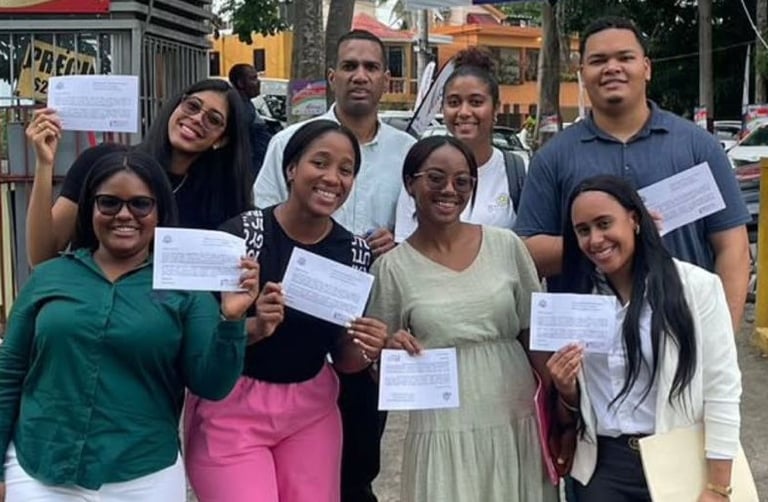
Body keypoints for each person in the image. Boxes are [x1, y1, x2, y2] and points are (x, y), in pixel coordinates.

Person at [0, 150, 259, 501]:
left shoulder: (185, 289)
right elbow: (9, 372)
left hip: (142, 474)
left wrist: (232, 319)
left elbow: (211, 385)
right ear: (90, 208)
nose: (124, 215)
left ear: (159, 212)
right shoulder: (49, 277)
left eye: (140, 204)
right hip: (41, 469)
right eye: (109, 203)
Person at [184, 119, 388, 502]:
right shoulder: (245, 236)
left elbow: (344, 358)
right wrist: (255, 327)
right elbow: (199, 341)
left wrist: (366, 347)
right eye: (320, 163)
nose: (332, 178)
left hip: (310, 409)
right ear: (291, 168)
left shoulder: (355, 255)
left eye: (346, 170)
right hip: (233, 405)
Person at [252, 29, 415, 502]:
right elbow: (261, 228)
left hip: (363, 333)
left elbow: (423, 233)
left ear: (385, 79)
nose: (359, 76)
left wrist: (397, 241)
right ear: (332, 77)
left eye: (370, 67)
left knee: (357, 468)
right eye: (349, 66)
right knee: (284, 474)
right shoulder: (286, 142)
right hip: (290, 336)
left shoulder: (408, 152)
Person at [514, 16, 751, 330]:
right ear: (582, 74)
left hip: (682, 331)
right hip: (589, 343)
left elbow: (732, 248)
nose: (612, 67)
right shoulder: (553, 157)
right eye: (598, 60)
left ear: (647, 68)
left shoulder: (698, 148)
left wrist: (723, 336)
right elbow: (527, 252)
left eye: (625, 57)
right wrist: (603, 241)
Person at [367, 136, 557, 502]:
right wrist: (389, 349)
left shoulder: (507, 246)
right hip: (442, 423)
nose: (449, 190)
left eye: (462, 181)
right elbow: (378, 363)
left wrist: (561, 408)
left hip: (513, 412)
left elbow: (534, 334)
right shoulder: (391, 269)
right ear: (410, 183)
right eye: (435, 178)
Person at [546, 175, 741, 501]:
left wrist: (718, 485)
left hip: (679, 461)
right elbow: (577, 408)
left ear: (634, 220)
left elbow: (722, 387)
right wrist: (566, 388)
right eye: (583, 230)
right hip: (603, 468)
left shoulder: (696, 288)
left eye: (604, 223)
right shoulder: (577, 299)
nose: (595, 239)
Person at [25, 77, 254, 266]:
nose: (196, 119)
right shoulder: (99, 162)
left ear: (222, 139)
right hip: (92, 312)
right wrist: (44, 165)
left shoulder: (221, 198)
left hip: (171, 317)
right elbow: (42, 258)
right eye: (192, 106)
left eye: (213, 120)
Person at [394, 47, 527, 242]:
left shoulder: (518, 172)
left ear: (496, 108)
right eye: (454, 102)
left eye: (475, 102)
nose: (464, 112)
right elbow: (404, 246)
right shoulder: (420, 171)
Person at [229, 63, 273, 175]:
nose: (259, 82)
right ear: (240, 83)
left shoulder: (246, 104)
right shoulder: (240, 108)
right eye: (253, 78)